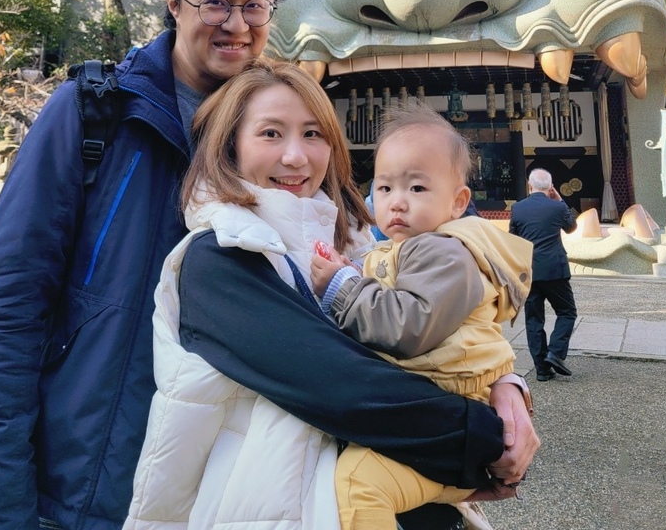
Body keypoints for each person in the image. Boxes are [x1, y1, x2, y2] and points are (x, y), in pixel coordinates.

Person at [0, 0, 282, 530]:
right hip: (89, 485)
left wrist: (500, 387)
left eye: (254, 4)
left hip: (226, 491)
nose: (237, 23)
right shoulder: (93, 111)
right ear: (174, 4)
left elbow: (351, 283)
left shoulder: (280, 137)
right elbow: (6, 310)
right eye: (215, 0)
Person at [125, 61, 540, 530]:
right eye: (270, 134)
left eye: (313, 134)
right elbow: (348, 388)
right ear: (230, 147)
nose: (296, 157)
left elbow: (433, 329)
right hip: (275, 508)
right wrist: (487, 436)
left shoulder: (359, 245)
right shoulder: (219, 257)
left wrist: (506, 385)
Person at [310, 101, 534, 530]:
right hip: (428, 414)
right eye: (385, 188)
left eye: (417, 189)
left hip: (445, 417)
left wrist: (341, 285)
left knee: (358, 485)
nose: (397, 203)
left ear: (458, 202)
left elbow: (409, 324)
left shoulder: (444, 250)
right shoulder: (398, 249)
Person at [508, 168, 578, 381]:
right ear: (550, 187)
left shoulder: (518, 208)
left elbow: (513, 240)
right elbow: (571, 227)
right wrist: (560, 201)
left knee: (534, 319)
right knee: (567, 311)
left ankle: (542, 369)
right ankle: (555, 353)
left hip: (529, 272)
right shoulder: (556, 207)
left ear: (530, 186)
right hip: (555, 269)